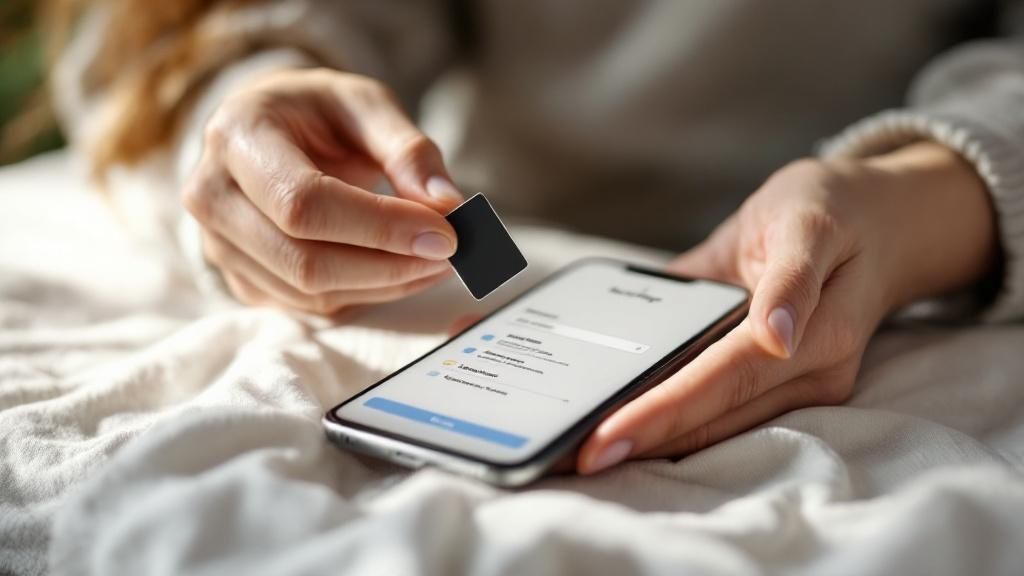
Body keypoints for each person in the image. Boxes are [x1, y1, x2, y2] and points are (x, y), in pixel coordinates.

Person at [48, 0, 1022, 475]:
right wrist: (249, 102)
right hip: (493, 248)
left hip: (901, 223)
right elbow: (186, 36)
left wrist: (919, 204)